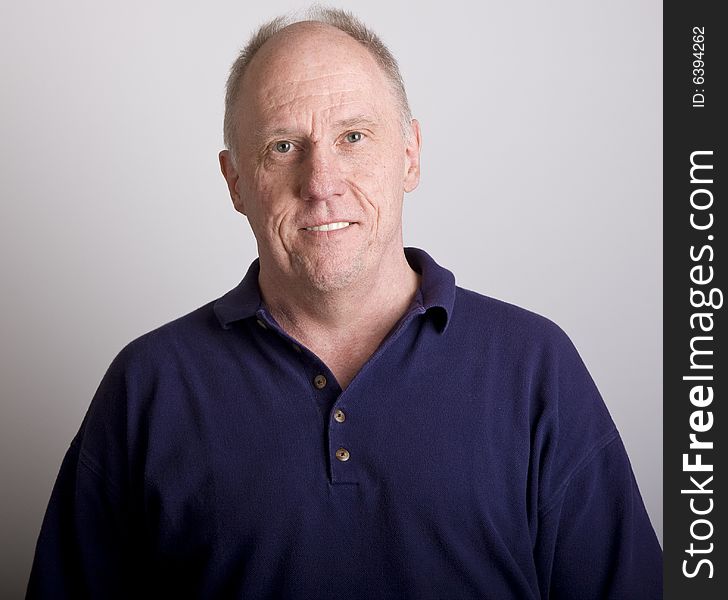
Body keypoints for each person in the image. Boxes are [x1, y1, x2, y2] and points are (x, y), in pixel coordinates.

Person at [27, 7, 662, 599]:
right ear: (235, 181)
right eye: (282, 146)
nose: (321, 182)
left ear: (409, 156)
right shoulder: (148, 387)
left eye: (353, 136)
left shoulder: (534, 369)